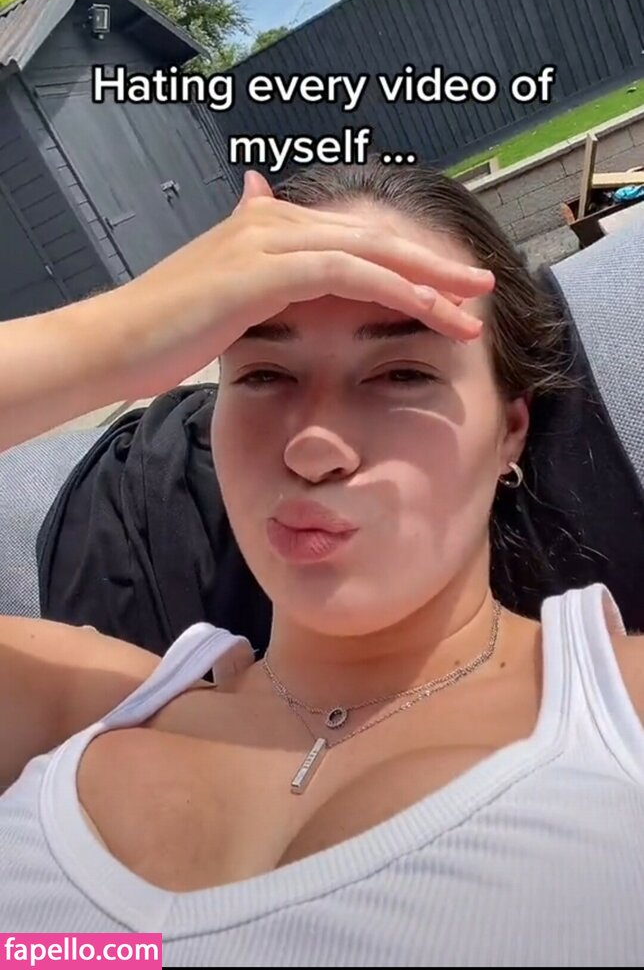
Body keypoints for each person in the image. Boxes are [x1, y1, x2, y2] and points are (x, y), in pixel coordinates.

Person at [1, 159, 644, 967]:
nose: (313, 449)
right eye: (263, 373)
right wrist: (116, 336)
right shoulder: (73, 709)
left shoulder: (616, 715)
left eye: (402, 373)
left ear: (509, 430)